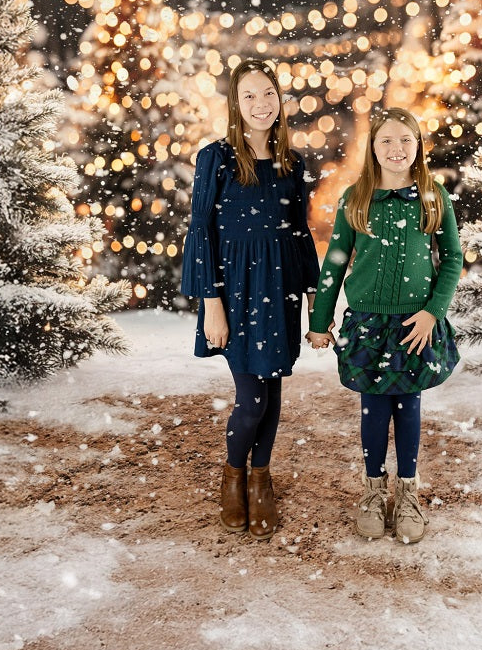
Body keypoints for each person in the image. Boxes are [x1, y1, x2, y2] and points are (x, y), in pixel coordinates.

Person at [306, 107, 462, 544]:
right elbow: (334, 264)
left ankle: (407, 492)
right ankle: (373, 490)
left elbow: (452, 258)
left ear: (418, 147)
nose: (396, 149)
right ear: (373, 148)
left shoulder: (434, 197)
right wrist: (320, 321)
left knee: (408, 405)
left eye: (405, 141)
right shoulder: (357, 197)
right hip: (368, 321)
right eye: (386, 141)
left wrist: (433, 312)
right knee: (373, 407)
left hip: (416, 322)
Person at [181, 59, 319, 540]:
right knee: (251, 398)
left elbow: (299, 231)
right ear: (235, 105)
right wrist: (210, 302)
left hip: (279, 286)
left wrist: (313, 295)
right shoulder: (215, 158)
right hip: (236, 291)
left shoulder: (292, 163)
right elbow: (201, 232)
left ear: (280, 100)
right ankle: (234, 474)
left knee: (273, 386)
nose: (260, 105)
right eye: (249, 96)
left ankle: (261, 481)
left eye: (268, 94)